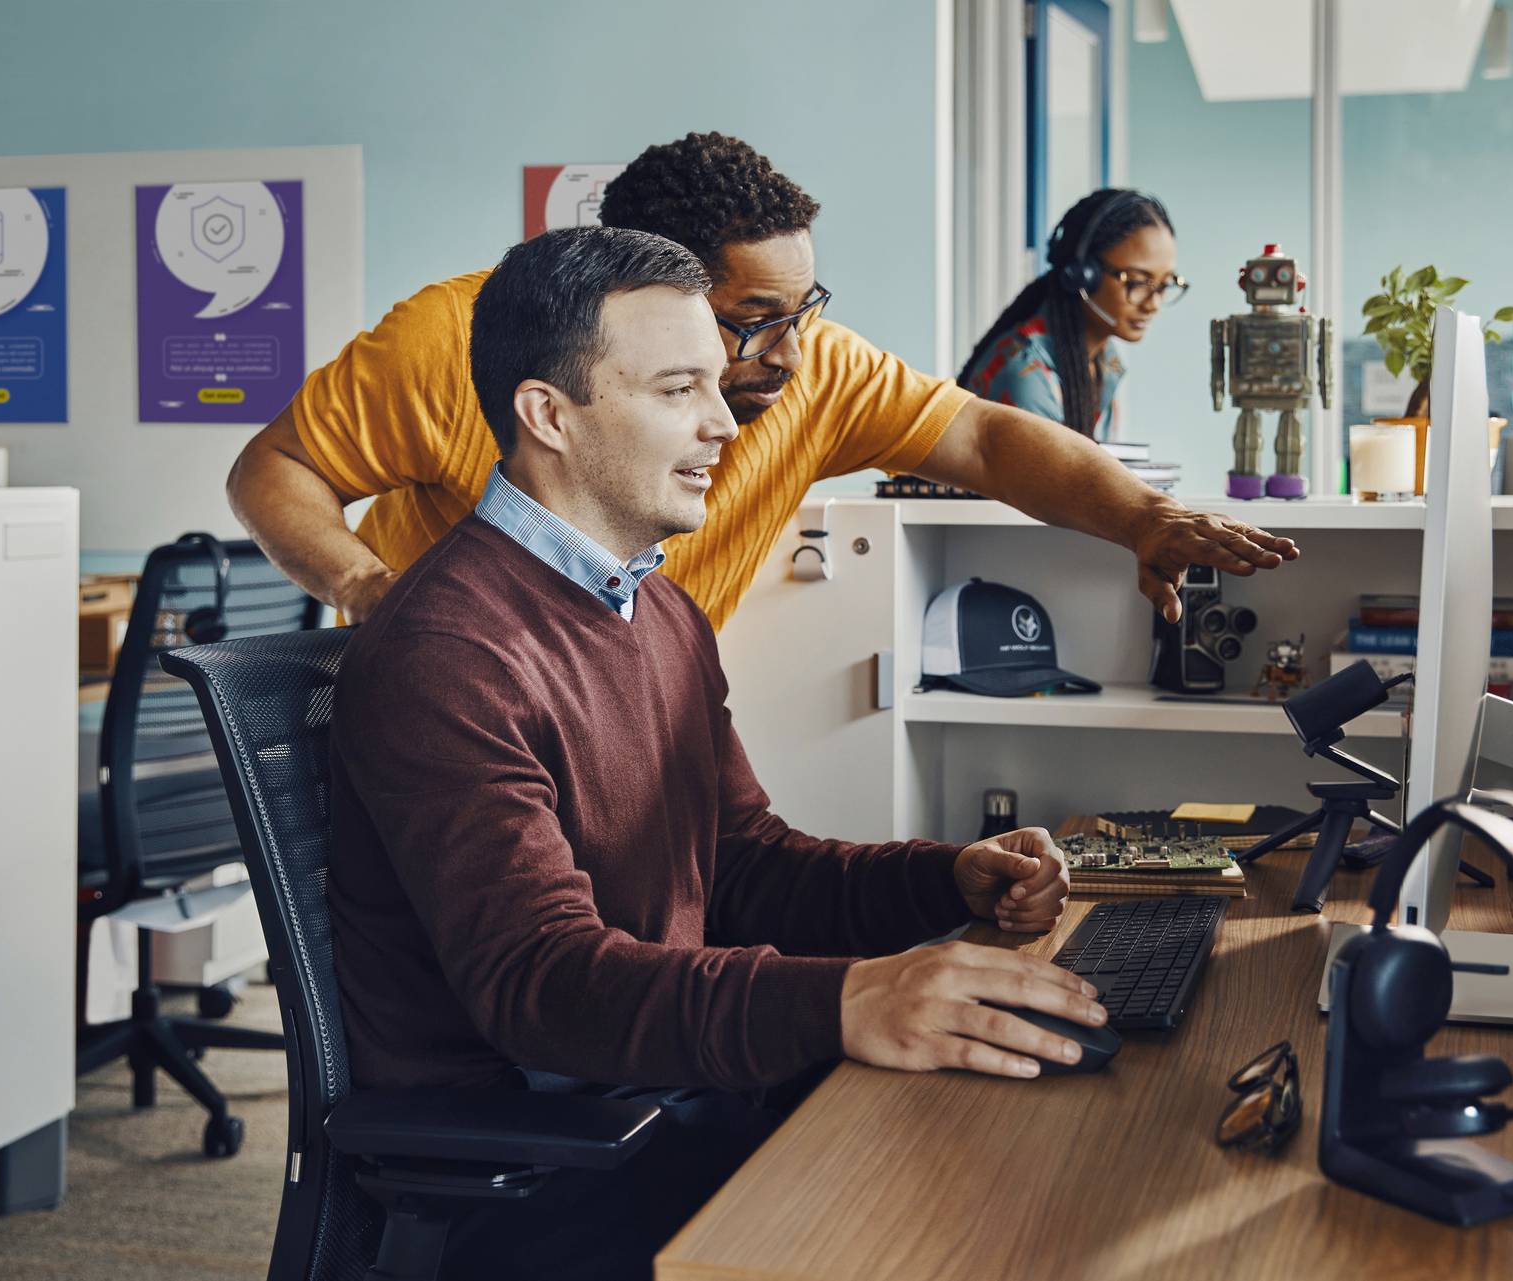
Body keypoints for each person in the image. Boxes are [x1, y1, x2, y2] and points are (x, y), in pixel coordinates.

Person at [328, 226, 1096, 1281]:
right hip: (549, 1170)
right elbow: (540, 983)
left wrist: (944, 878)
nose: (724, 423)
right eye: (678, 389)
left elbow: (741, 867)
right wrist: (848, 999)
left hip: (671, 1101)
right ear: (548, 415)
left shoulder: (660, 612)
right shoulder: (446, 653)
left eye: (717, 385)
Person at [227, 133, 1295, 633]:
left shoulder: (809, 366)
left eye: (804, 311)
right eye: (750, 325)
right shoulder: (451, 341)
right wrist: (374, 592)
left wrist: (1145, 521)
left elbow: (981, 438)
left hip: (634, 732)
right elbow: (275, 469)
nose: (788, 357)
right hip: (454, 734)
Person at [958, 188, 1186, 438]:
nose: (1153, 304)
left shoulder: (1104, 362)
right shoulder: (1027, 376)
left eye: (1165, 284)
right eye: (1137, 282)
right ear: (1084, 275)